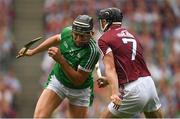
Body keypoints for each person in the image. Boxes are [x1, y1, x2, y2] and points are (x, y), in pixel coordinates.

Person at [17, 15, 100, 118]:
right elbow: (56, 39)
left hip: (80, 90)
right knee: (39, 117)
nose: (78, 39)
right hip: (59, 81)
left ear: (91, 34)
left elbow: (78, 80)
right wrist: (33, 51)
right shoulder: (67, 32)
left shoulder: (92, 52)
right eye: (76, 35)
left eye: (82, 36)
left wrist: (61, 60)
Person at [97, 7, 163, 118]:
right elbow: (131, 67)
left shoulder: (104, 39)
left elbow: (111, 68)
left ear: (107, 22)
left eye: (103, 21)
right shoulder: (132, 35)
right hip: (149, 84)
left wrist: (114, 92)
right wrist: (109, 81)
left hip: (133, 90)